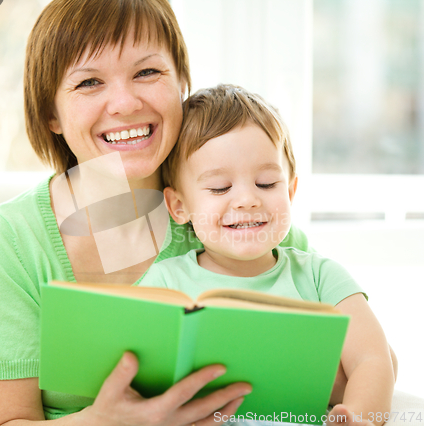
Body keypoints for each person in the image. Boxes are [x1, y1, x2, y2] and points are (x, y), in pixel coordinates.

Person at [0, 0, 374, 425]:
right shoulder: (8, 241)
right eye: (89, 82)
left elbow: (357, 370)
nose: (124, 103)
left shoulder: (245, 225)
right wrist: (104, 422)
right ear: (50, 114)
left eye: (147, 72)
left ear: (181, 83)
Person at [138, 84, 396, 426]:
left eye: (266, 183)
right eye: (220, 188)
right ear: (179, 206)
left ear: (290, 190)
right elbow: (141, 384)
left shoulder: (320, 277)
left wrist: (358, 417)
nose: (247, 199)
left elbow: (373, 359)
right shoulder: (166, 282)